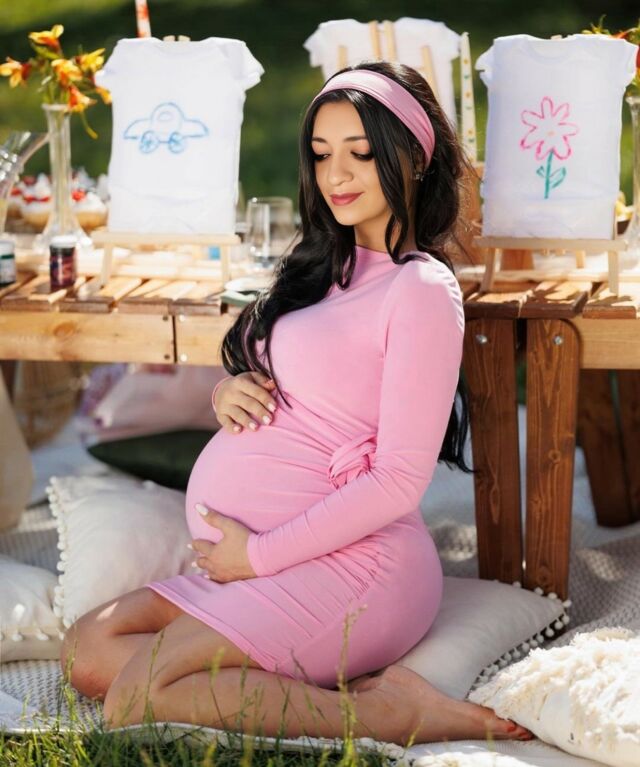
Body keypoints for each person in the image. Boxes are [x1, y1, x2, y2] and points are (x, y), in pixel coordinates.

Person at [62, 61, 532, 745]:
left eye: (359, 154)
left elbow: (400, 480)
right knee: (88, 649)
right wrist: (229, 391)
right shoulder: (323, 266)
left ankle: (392, 713)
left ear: (412, 158)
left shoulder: (420, 289)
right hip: (260, 569)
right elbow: (290, 380)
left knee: (135, 695)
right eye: (320, 153)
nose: (335, 174)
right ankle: (263, 679)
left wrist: (258, 556)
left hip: (355, 569)